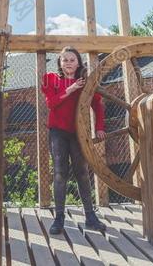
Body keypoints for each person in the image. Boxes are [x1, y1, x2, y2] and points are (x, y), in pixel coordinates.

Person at [41, 46, 107, 234]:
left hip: (79, 133)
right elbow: (51, 103)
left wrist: (100, 127)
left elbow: (98, 105)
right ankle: (59, 218)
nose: (68, 63)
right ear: (60, 63)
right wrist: (70, 89)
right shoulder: (50, 80)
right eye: (65, 60)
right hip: (58, 133)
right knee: (60, 173)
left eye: (72, 59)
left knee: (82, 172)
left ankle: (90, 216)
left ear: (78, 62)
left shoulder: (86, 82)